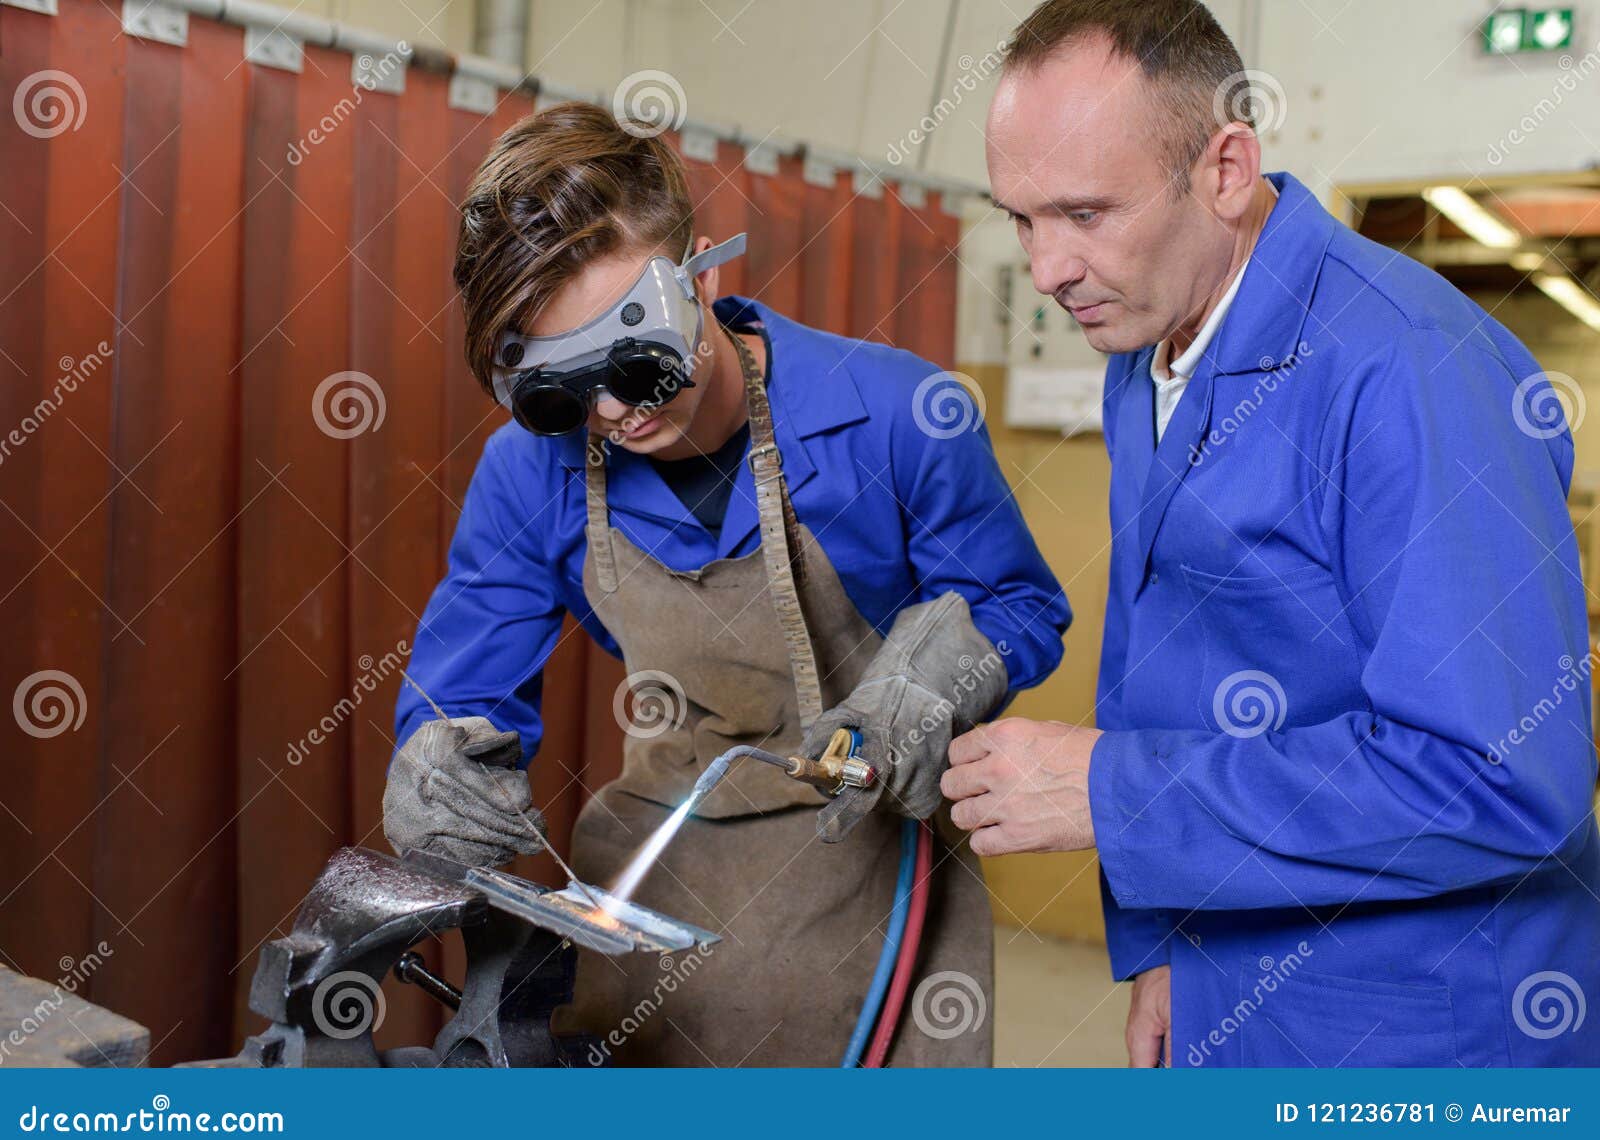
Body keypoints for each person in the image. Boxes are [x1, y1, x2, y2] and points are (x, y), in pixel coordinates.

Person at [945, 0, 1600, 1067]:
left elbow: (1505, 778)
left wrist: (1112, 795)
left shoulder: (1410, 369)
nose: (1046, 267)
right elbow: (1157, 668)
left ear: (1226, 167)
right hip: (1235, 972)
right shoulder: (1148, 346)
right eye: (1020, 218)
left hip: (1425, 1029)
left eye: (1084, 213)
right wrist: (1166, 943)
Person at [381, 102, 1071, 1066]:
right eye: (566, 389)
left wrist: (939, 676)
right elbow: (465, 682)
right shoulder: (527, 471)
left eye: (635, 359)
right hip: (658, 879)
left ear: (703, 266)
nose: (614, 412)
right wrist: (439, 759)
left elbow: (1020, 603)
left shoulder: (900, 412)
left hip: (880, 863)